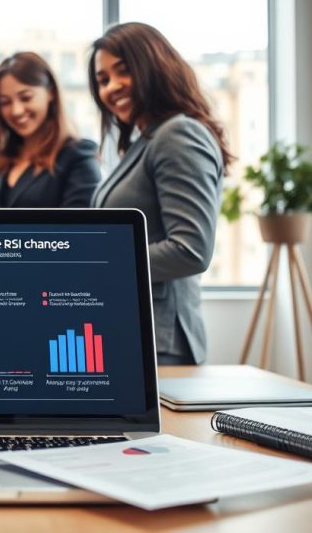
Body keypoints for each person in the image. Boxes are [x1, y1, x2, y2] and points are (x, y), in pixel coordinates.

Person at [88, 22, 236, 365]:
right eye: (102, 79)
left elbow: (190, 249)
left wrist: (99, 263)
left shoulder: (177, 135)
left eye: (123, 72)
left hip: (160, 341)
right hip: (133, 333)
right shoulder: (147, 141)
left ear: (153, 65)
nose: (111, 87)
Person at [0, 52, 100, 208]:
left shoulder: (76, 156)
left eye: (26, 98)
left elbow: (80, 229)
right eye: (4, 102)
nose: (16, 110)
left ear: (50, 93)